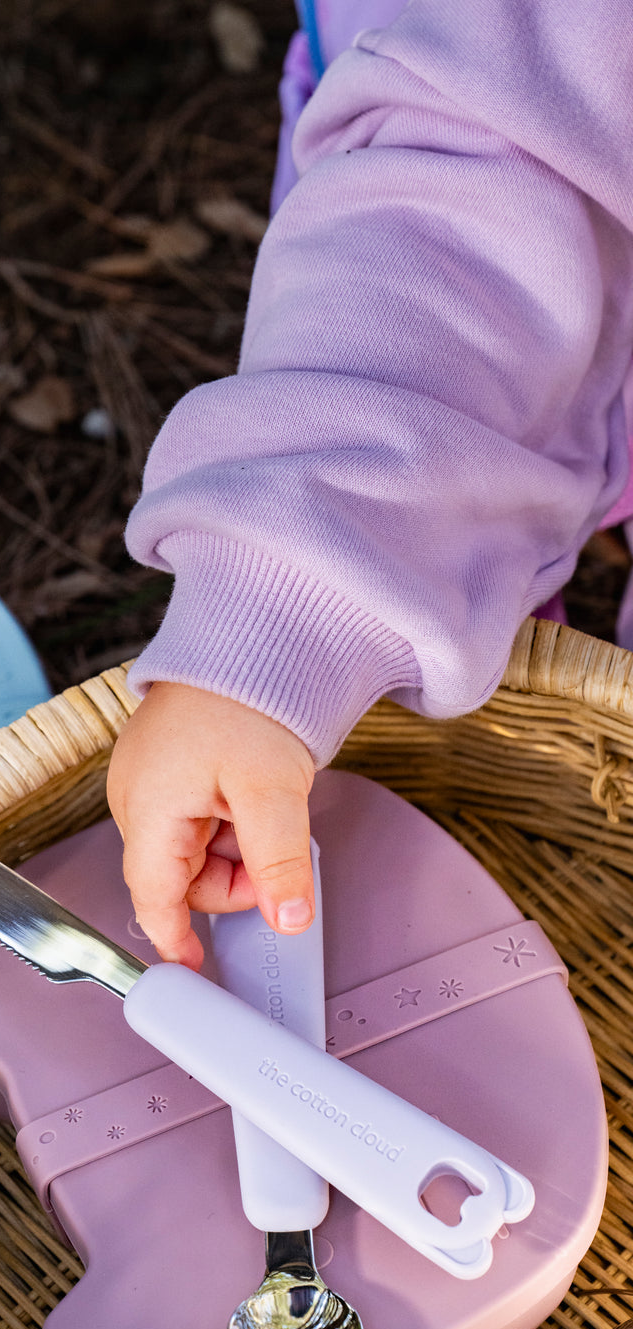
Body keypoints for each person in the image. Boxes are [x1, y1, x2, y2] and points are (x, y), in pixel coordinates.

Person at [107, 0, 633, 970]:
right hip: (444, 294)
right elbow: (477, 175)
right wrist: (288, 616)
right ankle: (445, 621)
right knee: (435, 588)